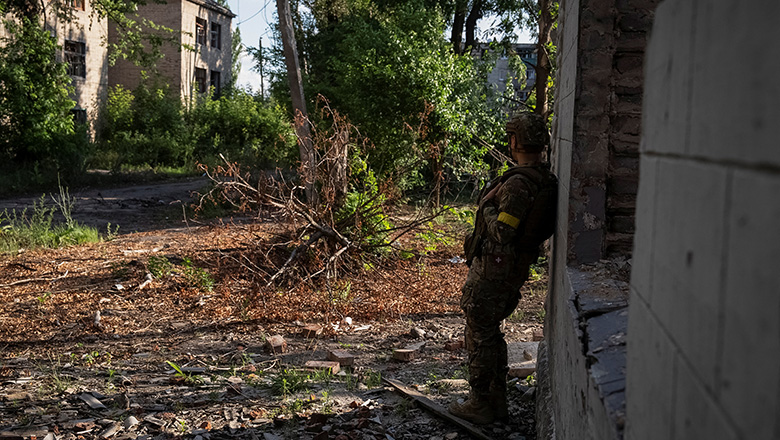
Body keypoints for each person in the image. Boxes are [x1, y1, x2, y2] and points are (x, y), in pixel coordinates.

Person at [449, 112, 558, 425]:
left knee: (480, 332)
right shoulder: (541, 177)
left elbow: (503, 232)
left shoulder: (519, 184)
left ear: (514, 141)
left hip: (495, 272)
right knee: (489, 332)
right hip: (507, 269)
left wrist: (486, 206)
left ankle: (481, 403)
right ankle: (495, 400)